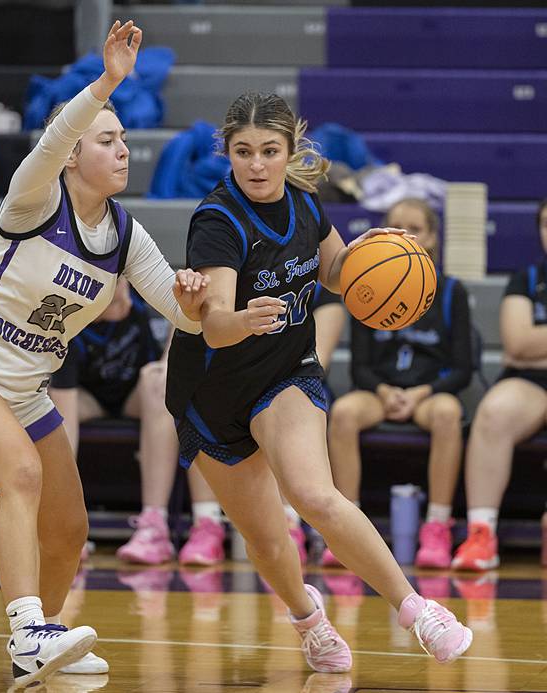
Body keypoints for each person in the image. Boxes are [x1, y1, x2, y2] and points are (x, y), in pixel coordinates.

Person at [0, 21, 209, 689]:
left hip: (23, 391)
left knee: (69, 529)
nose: (124, 148)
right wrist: (106, 82)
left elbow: (185, 314)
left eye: (126, 138)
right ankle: (29, 629)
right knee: (18, 471)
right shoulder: (33, 199)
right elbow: (50, 139)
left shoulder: (125, 234)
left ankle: (35, 649)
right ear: (74, 153)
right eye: (108, 138)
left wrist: (197, 294)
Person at [164, 91, 473, 673]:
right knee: (266, 537)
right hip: (212, 389)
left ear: (290, 149)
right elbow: (214, 327)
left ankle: (417, 609)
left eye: (269, 151)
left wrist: (370, 263)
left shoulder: (306, 202)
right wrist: (246, 318)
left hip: (284, 374)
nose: (257, 164)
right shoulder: (218, 220)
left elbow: (333, 273)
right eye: (244, 152)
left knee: (312, 495)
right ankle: (310, 619)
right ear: (228, 153)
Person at [324, 198, 472, 570]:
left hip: (428, 395)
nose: (407, 235)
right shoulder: (363, 286)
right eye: (397, 227)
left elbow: (463, 369)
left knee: (448, 413)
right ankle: (346, 526)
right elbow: (360, 368)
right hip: (382, 392)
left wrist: (422, 393)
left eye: (417, 229)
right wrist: (385, 392)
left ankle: (437, 525)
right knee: (342, 413)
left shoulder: (452, 292)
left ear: (433, 238)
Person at [50, 276, 226, 567]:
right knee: (45, 411)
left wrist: (170, 361)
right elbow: (65, 425)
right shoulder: (69, 322)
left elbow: (190, 315)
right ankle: (59, 524)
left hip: (138, 395)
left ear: (122, 282)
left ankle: (158, 526)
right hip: (89, 399)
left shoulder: (149, 290)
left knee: (162, 382)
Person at [452, 199, 547, 571]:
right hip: (531, 383)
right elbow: (518, 344)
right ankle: (481, 534)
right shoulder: (526, 279)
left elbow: (529, 343)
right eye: (544, 224)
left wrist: (534, 345)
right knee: (493, 412)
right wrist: (528, 351)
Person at [284, 283, 345, 564]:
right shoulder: (241, 272)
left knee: (282, 398)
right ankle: (207, 523)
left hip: (304, 383)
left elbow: (317, 361)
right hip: (245, 384)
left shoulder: (324, 291)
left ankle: (292, 524)